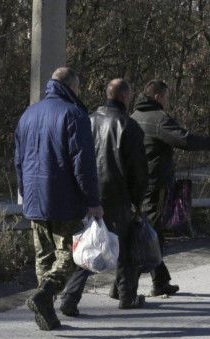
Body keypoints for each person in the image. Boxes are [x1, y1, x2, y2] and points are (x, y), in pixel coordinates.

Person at [14, 67, 103, 330]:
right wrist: (93, 200)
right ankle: (45, 294)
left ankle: (46, 312)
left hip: (33, 197)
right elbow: (83, 162)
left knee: (43, 256)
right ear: (72, 88)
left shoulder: (28, 114)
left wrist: (24, 192)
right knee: (70, 255)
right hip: (64, 198)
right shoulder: (75, 114)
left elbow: (18, 160)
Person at [59, 78, 149, 316]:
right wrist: (138, 201)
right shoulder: (128, 126)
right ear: (125, 97)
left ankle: (70, 296)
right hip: (118, 195)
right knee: (126, 246)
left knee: (92, 244)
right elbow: (138, 170)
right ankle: (126, 296)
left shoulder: (86, 120)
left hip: (89, 194)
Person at [131, 80, 210, 297]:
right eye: (166, 97)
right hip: (154, 185)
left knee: (148, 230)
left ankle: (160, 281)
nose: (167, 101)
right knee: (149, 234)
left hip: (136, 184)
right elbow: (184, 140)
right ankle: (125, 285)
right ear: (158, 97)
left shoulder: (133, 117)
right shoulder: (158, 119)